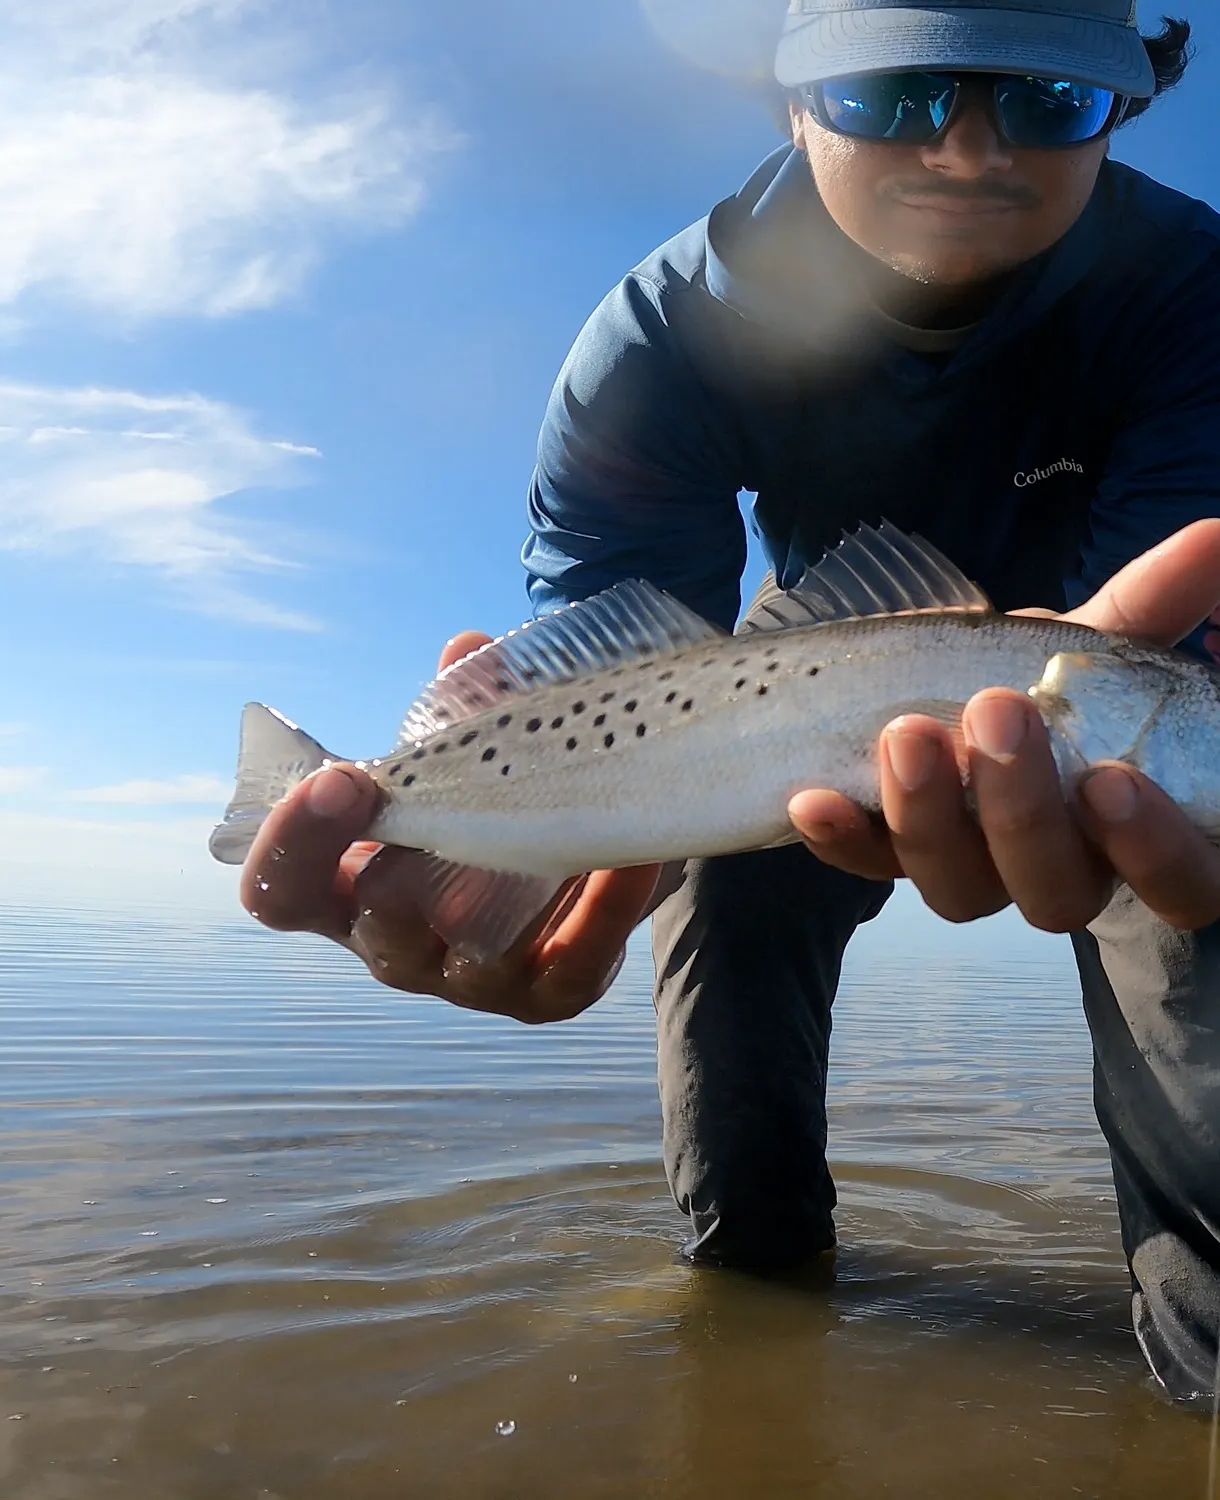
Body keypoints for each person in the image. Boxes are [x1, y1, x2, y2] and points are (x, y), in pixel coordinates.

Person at [239, 0, 1220, 1404]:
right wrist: (548, 829)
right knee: (718, 896)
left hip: (1113, 683)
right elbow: (613, 634)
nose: (962, 149)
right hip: (802, 667)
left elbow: (1183, 610)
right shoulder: (662, 329)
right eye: (892, 92)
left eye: (1048, 99)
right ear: (791, 100)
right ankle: (750, 1316)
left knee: (1196, 923)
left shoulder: (1198, 289)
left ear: (1120, 109)